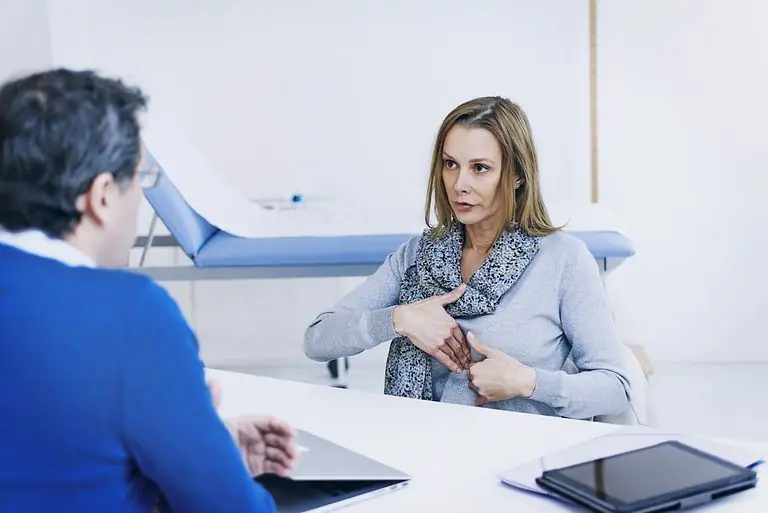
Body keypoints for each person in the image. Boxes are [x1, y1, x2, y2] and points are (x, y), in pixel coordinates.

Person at [0, 68, 296, 512]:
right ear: (102, 195)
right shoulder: (128, 314)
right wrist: (206, 451)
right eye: (141, 178)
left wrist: (196, 446)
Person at [303, 96, 638, 420]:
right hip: (418, 443)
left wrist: (527, 382)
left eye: (480, 168)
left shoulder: (564, 260)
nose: (459, 184)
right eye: (451, 164)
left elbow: (616, 388)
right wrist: (400, 319)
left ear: (517, 175)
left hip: (522, 451)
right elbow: (317, 339)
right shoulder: (417, 256)